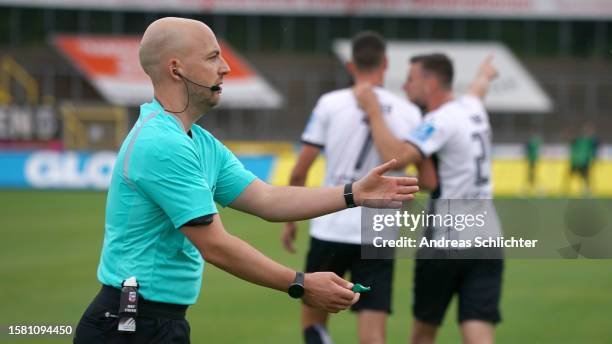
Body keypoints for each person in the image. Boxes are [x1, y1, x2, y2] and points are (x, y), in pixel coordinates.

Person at [73, 17, 420, 344]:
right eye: (212, 57)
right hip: (128, 323)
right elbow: (216, 246)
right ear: (176, 69)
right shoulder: (162, 144)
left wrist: (353, 192)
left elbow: (267, 199)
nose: (225, 67)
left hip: (155, 321)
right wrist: (300, 283)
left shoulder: (198, 141)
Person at [281, 31, 424, 344]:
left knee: (313, 320)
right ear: (385, 63)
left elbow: (300, 170)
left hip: (331, 225)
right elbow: (415, 174)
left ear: (350, 64)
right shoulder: (408, 110)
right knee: (372, 333)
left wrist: (291, 220)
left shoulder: (330, 103)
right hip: (379, 230)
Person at [354, 54, 502, 344]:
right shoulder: (472, 107)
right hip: (487, 240)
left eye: (411, 79)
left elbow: (394, 157)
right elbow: (478, 88)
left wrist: (373, 110)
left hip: (446, 243)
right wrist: (485, 73)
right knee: (480, 333)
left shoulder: (438, 121)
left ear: (431, 82)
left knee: (423, 333)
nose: (406, 86)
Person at [565, 122, 599, 196]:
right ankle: (567, 189)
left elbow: (595, 148)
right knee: (573, 176)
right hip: (577, 161)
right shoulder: (581, 140)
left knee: (585, 177)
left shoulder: (589, 141)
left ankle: (587, 190)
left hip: (583, 162)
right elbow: (571, 144)